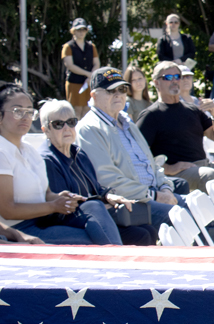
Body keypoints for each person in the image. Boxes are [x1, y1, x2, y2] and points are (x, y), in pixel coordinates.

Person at [76, 67, 184, 235]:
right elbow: (108, 181)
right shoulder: (89, 128)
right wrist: (156, 196)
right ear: (94, 95)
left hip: (154, 193)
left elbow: (151, 164)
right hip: (132, 201)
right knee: (187, 217)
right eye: (111, 90)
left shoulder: (126, 121)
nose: (118, 94)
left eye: (122, 89)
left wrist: (165, 188)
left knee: (208, 209)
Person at [40, 99, 152, 246]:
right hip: (66, 221)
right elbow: (65, 204)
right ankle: (119, 263)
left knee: (146, 231)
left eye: (71, 122)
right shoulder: (47, 160)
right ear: (46, 130)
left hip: (92, 216)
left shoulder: (79, 154)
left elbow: (96, 188)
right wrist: (101, 203)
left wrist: (109, 196)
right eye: (58, 124)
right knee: (133, 232)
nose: (67, 128)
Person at [0, 82, 100, 244]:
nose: (25, 117)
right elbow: (7, 210)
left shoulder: (29, 150)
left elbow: (45, 194)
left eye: (29, 112)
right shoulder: (2, 151)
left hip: (42, 221)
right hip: (19, 229)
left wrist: (62, 197)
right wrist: (54, 206)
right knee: (91, 241)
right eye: (17, 111)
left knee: (95, 208)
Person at [136, 61, 214, 192]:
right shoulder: (151, 115)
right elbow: (137, 153)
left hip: (205, 166)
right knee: (209, 175)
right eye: (168, 78)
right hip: (177, 174)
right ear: (156, 82)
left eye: (178, 77)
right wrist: (168, 168)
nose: (175, 81)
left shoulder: (193, 109)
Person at [61, 18, 100, 118]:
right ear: (73, 31)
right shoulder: (68, 46)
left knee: (88, 109)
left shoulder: (91, 46)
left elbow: (96, 63)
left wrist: (91, 76)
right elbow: (70, 65)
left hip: (89, 82)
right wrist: (88, 74)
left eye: (83, 30)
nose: (81, 32)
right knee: (76, 110)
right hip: (75, 82)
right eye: (78, 30)